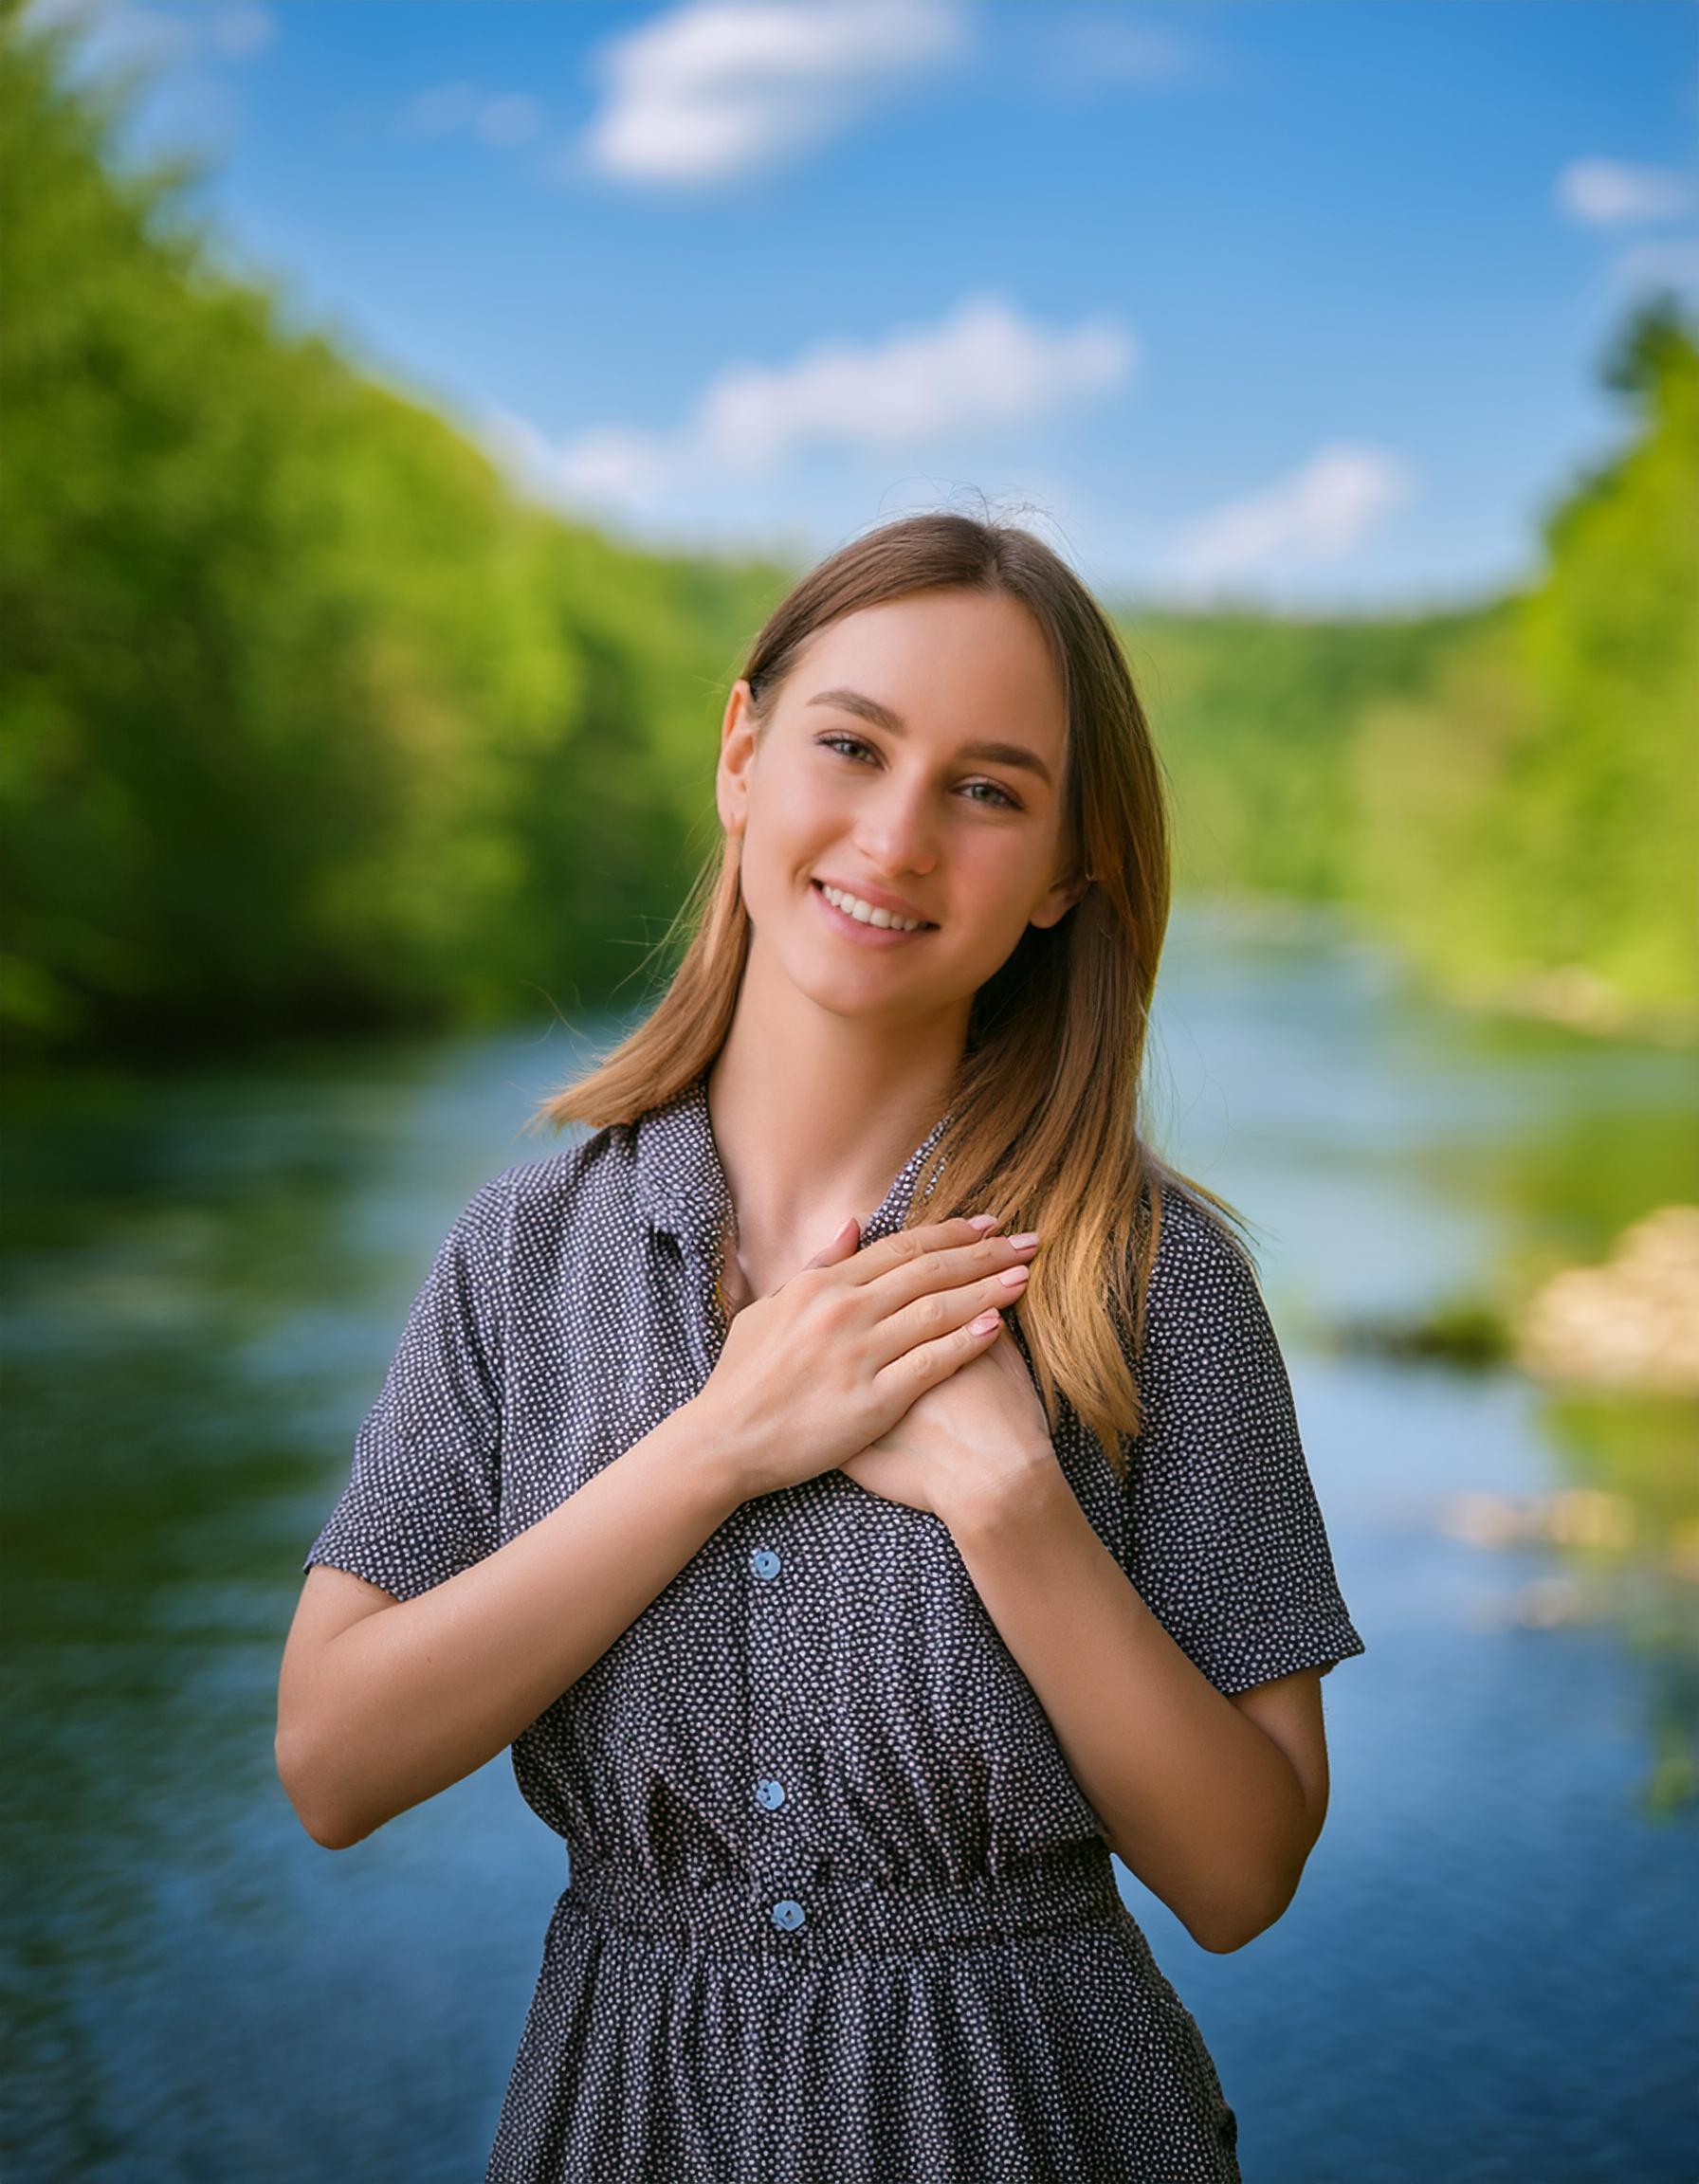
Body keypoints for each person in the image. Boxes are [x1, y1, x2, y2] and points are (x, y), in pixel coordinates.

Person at [277, 510, 1367, 2183]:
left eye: (990, 790)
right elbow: (332, 1760)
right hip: (627, 2128)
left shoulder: (1154, 1284)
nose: (897, 836)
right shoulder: (521, 1260)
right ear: (742, 752)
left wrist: (1018, 1509)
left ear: (1071, 873)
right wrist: (723, 1442)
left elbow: (1241, 1879)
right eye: (851, 747)